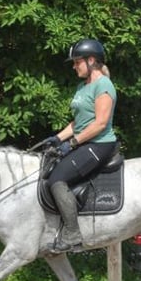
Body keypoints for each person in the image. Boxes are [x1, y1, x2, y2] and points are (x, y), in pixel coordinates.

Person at [43, 38, 118, 253]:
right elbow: (78, 122)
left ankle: (73, 234)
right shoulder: (82, 86)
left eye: (77, 62)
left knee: (57, 179)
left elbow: (100, 123)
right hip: (85, 142)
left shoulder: (104, 85)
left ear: (91, 60)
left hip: (100, 144)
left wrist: (73, 143)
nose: (74, 66)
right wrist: (58, 138)